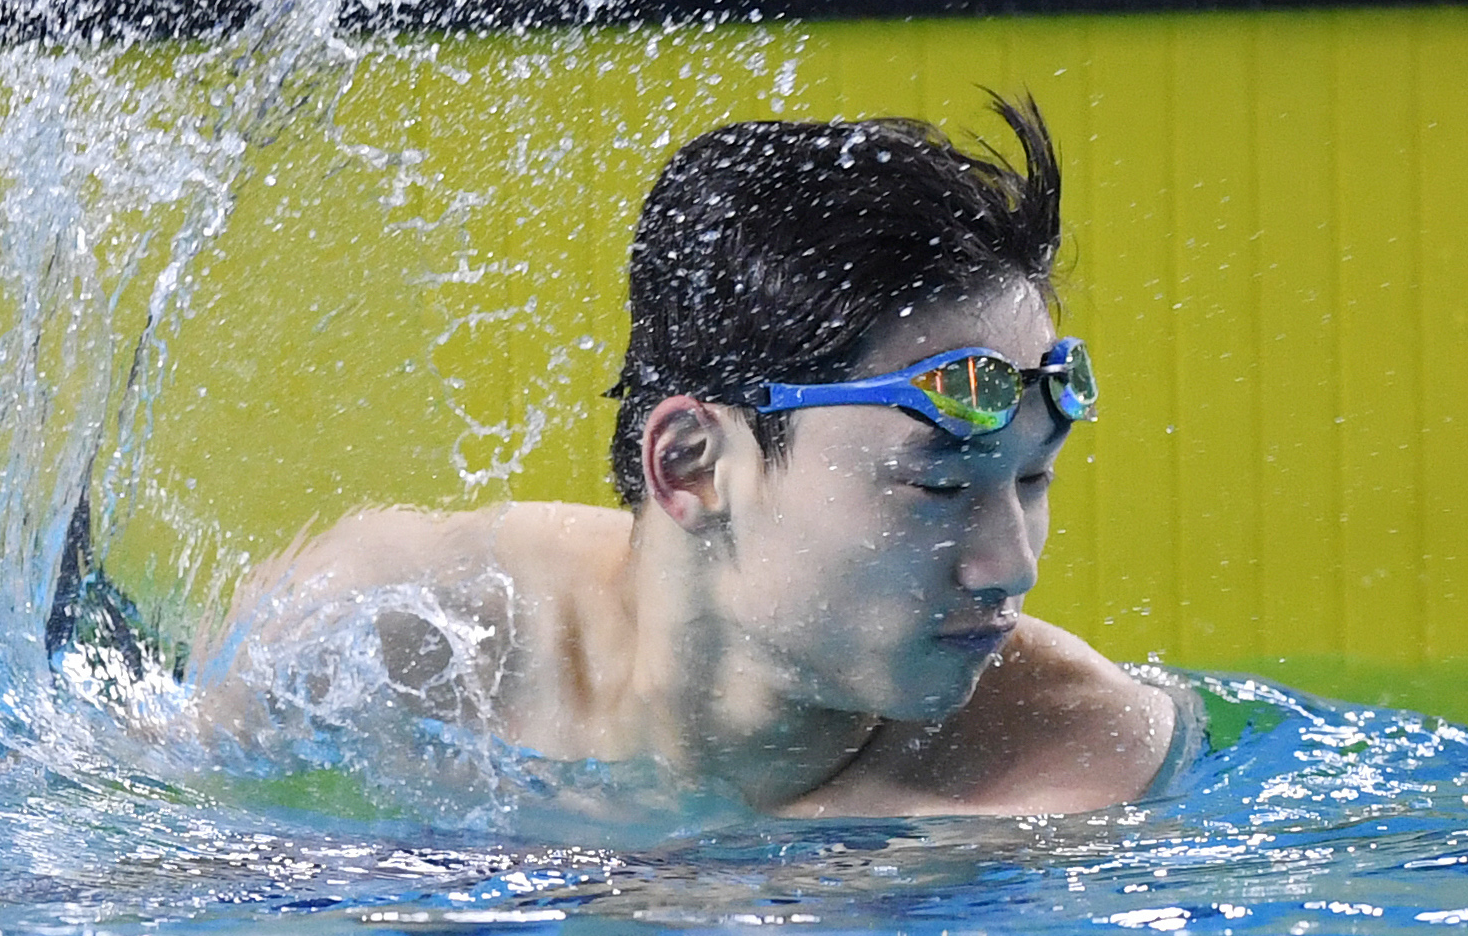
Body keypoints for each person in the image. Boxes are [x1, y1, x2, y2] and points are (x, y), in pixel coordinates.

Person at [192, 95, 1197, 827]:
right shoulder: (388, 632)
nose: (1007, 563)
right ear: (692, 466)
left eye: (1031, 480)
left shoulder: (1066, 774)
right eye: (935, 486)